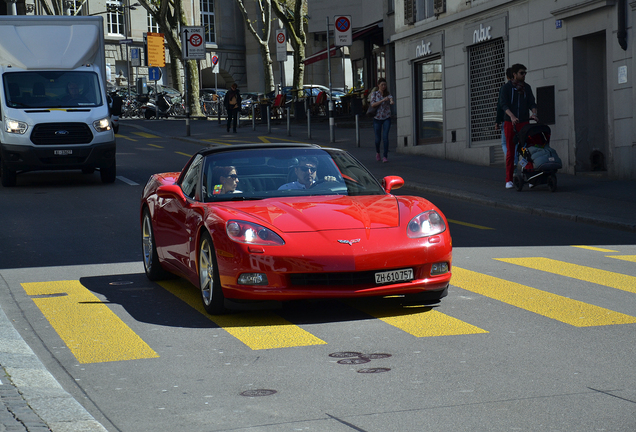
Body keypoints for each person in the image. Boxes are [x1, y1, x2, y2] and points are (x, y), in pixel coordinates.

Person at [498, 63, 538, 189]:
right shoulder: (506, 88)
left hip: (524, 122)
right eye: (521, 73)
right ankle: (508, 179)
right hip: (510, 123)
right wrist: (512, 116)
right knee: (511, 151)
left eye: (525, 73)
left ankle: (530, 177)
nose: (524, 75)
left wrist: (534, 113)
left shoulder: (527, 88)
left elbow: (532, 102)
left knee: (526, 150)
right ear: (514, 74)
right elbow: (503, 105)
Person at [369, 78, 394, 163]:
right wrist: (383, 100)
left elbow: (391, 100)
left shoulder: (388, 94)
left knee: (385, 137)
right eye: (382, 85)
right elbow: (373, 104)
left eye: (385, 85)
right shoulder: (375, 94)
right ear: (378, 85)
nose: (384, 86)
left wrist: (391, 101)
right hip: (377, 118)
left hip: (386, 117)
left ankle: (385, 156)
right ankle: (378, 152)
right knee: (377, 139)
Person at [495, 68, 513, 159]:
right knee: (516, 144)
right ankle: (515, 162)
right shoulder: (521, 87)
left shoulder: (504, 88)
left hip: (507, 120)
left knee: (505, 143)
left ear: (507, 76)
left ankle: (510, 160)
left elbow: (500, 105)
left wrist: (497, 121)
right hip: (520, 119)